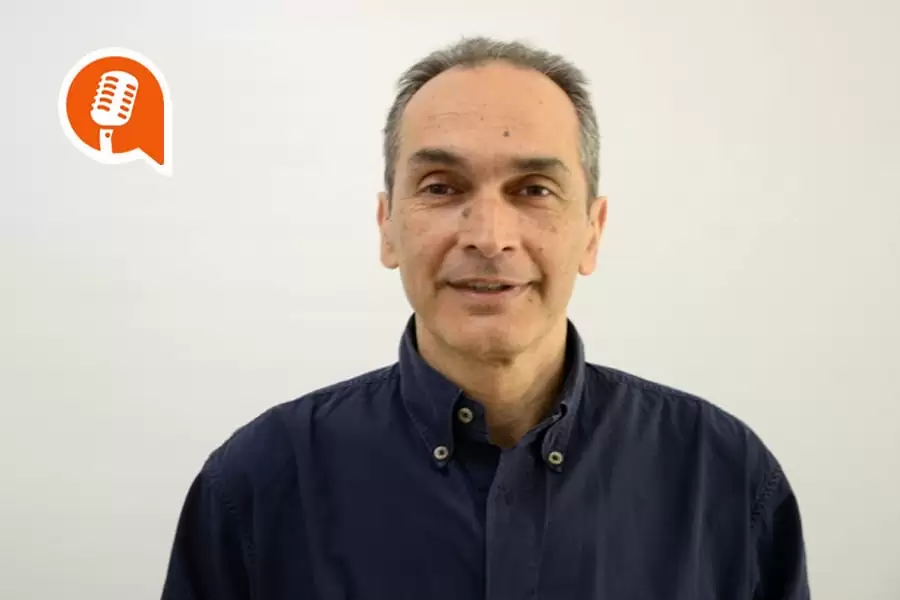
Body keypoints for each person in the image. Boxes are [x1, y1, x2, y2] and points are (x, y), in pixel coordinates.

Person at [160, 36, 810, 599]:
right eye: (442, 187)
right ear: (387, 227)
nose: (490, 237)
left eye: (534, 190)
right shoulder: (259, 483)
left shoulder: (724, 477)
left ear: (592, 232)